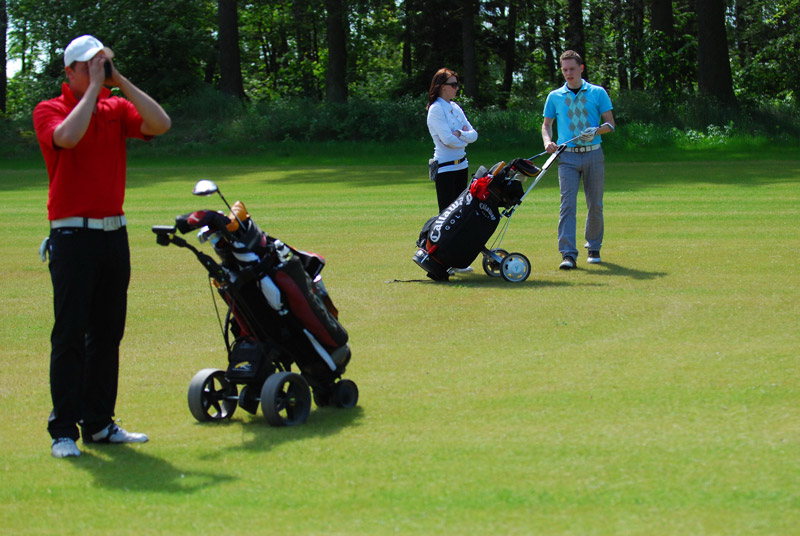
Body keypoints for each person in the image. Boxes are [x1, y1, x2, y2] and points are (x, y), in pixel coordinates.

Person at [33, 35, 171, 458]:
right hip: (73, 236)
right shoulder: (49, 108)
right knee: (70, 334)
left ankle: (98, 423)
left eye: (103, 64)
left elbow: (160, 123)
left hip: (114, 235)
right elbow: (67, 138)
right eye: (89, 66)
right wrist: (94, 89)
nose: (98, 71)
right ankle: (63, 431)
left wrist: (118, 80)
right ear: (69, 72)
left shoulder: (115, 106)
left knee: (107, 334)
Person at [541, 50, 616, 270]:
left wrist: (595, 131)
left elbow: (610, 124)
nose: (568, 74)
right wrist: (548, 142)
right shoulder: (555, 96)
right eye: (565, 70)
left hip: (593, 153)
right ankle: (568, 254)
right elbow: (546, 125)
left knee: (595, 204)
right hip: (567, 157)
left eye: (572, 69)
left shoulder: (597, 92)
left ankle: (593, 247)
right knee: (567, 205)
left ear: (581, 68)